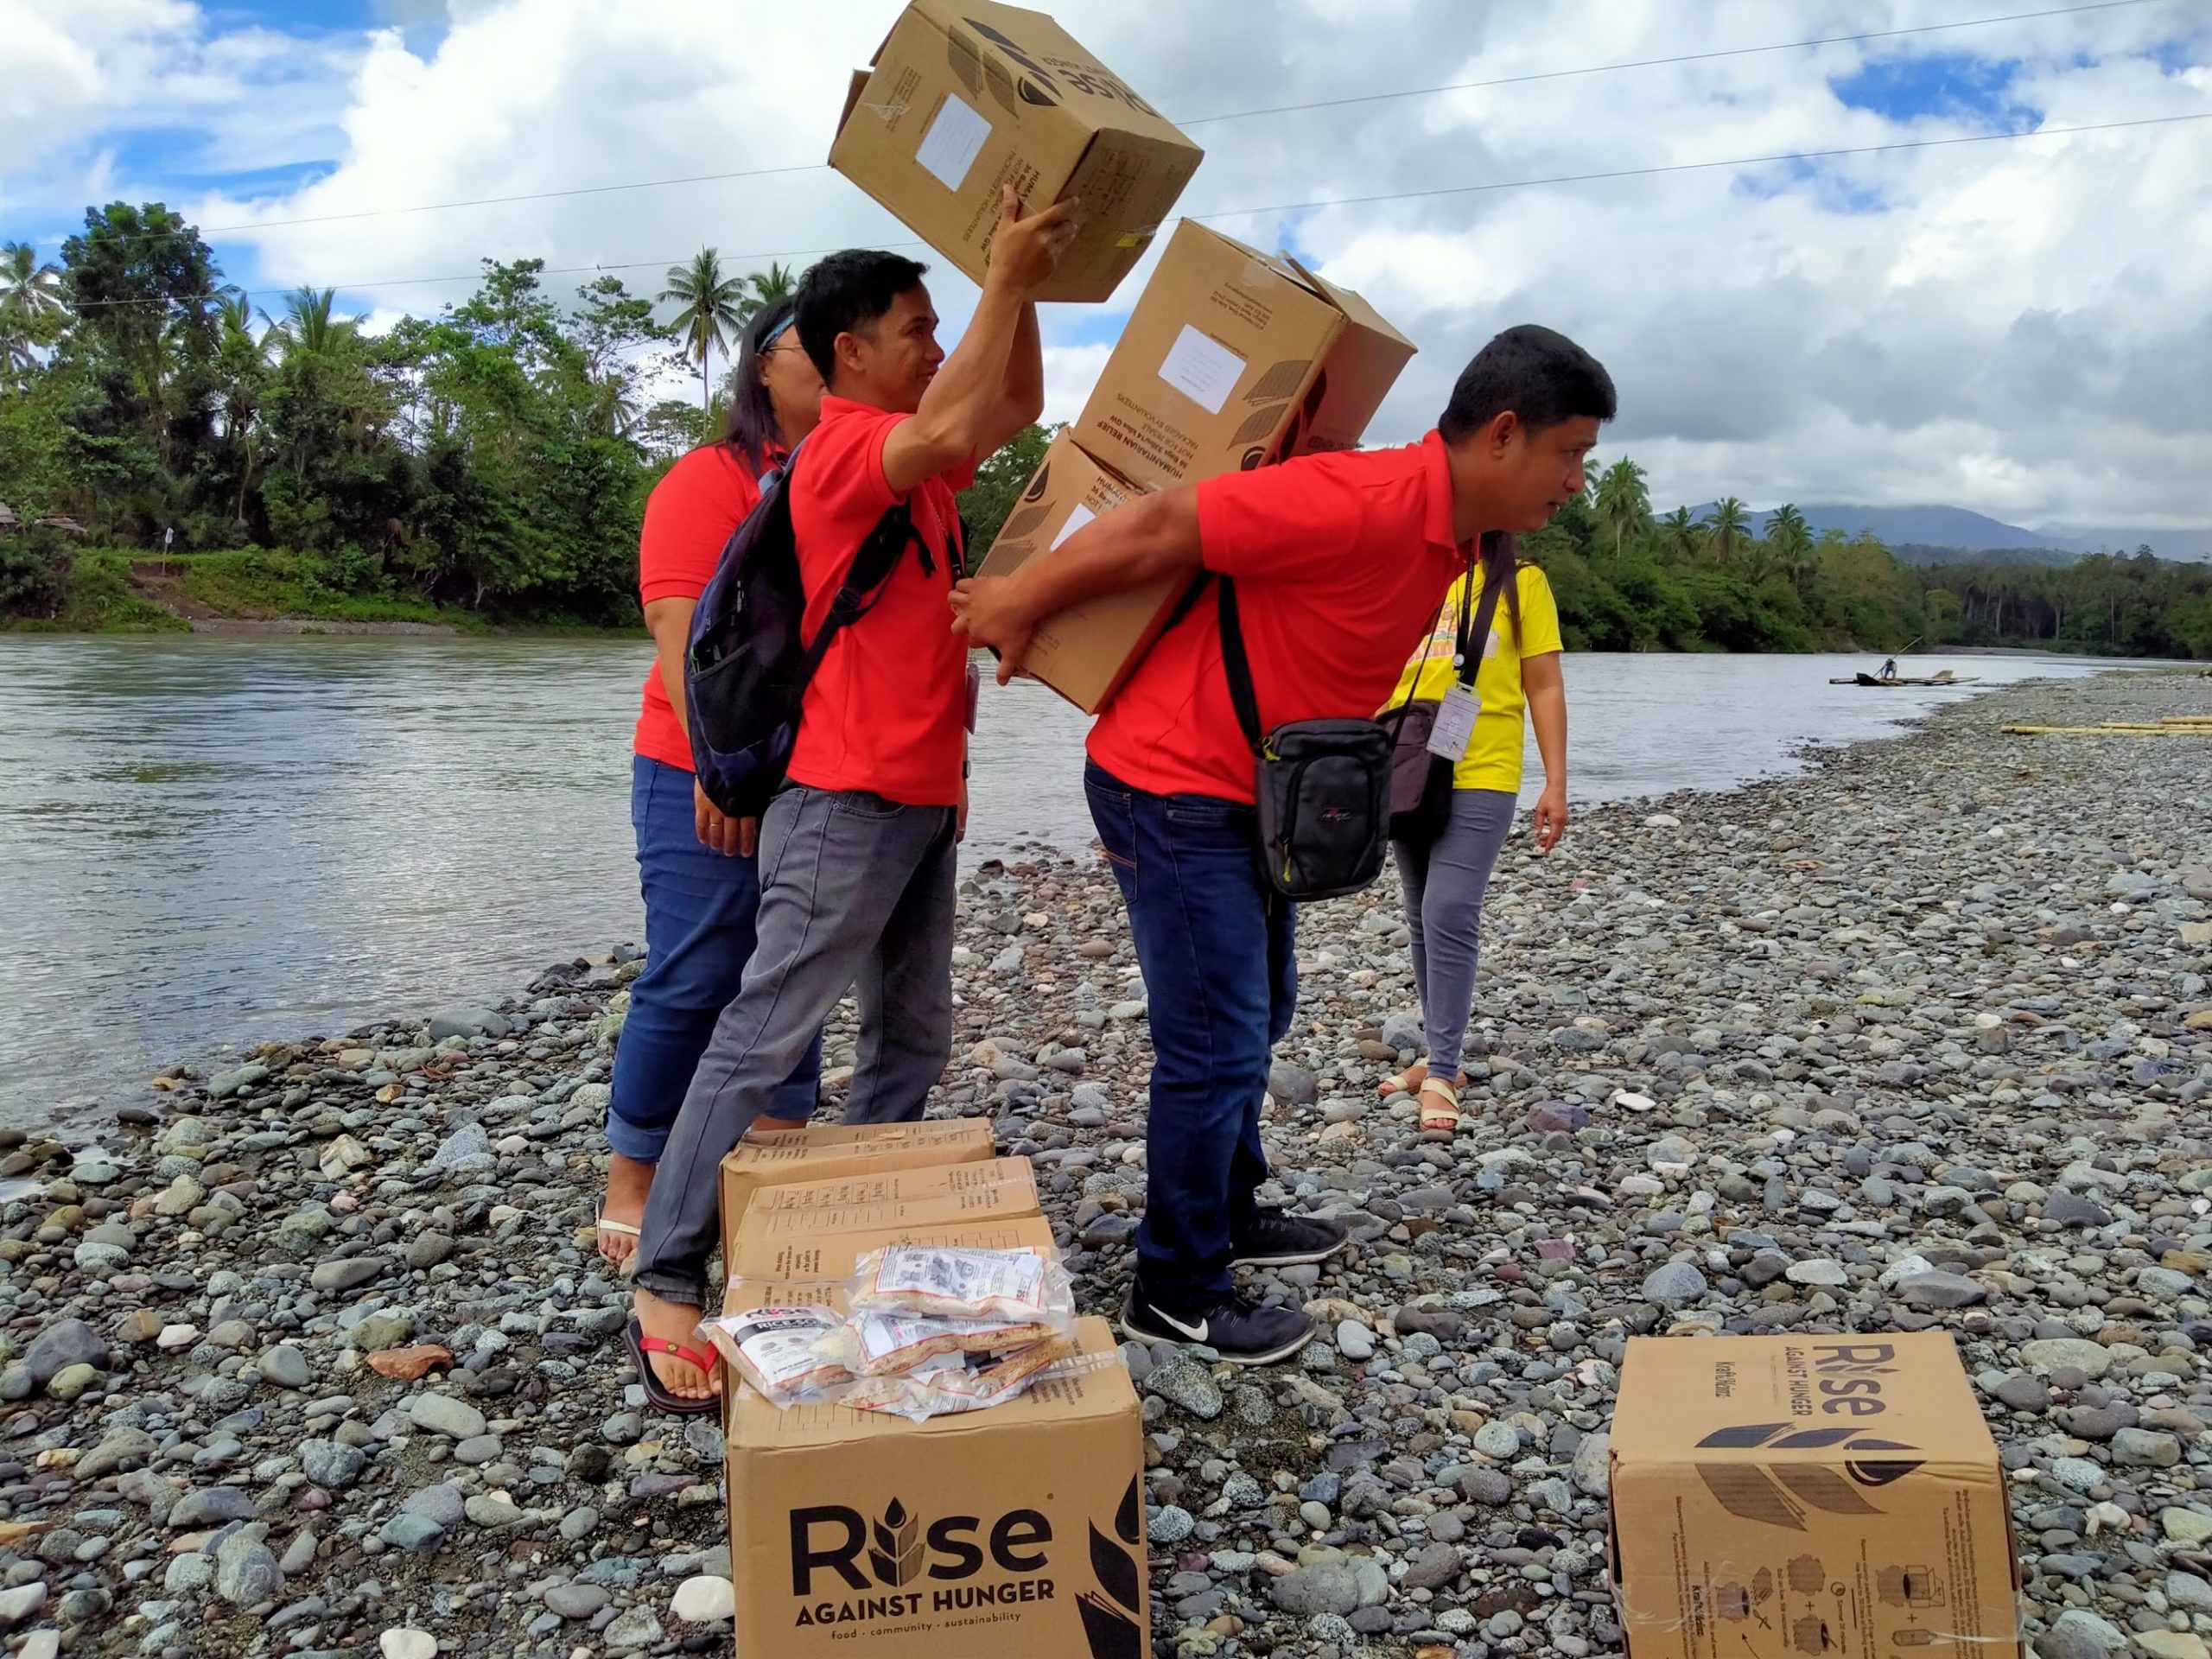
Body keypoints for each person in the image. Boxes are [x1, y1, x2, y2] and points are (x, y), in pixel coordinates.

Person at [954, 324, 1615, 1365]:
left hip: (1248, 793)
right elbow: (1164, 521)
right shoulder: (1364, 500)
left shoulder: (1460, 540)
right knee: (1214, 1040)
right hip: (1169, 784)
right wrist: (1014, 600)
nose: (1578, 480)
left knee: (1263, 1009)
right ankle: (1172, 1284)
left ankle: (1229, 1211)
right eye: (1569, 452)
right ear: (1500, 436)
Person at [626, 186, 1078, 1410]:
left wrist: (1019, 297)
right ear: (850, 355)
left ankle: (855, 1244)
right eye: (916, 330)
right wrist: (1003, 275)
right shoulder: (838, 456)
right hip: (840, 800)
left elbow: (1017, 403)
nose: (938, 350)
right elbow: (944, 426)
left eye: (941, 329)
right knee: (763, 1030)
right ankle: (665, 1274)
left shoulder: (921, 479)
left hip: (919, 802)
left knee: (913, 1036)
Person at [595, 299, 830, 1270]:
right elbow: (682, 634)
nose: (832, 367)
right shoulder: (708, 480)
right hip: (700, 764)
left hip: (818, 769)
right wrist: (718, 772)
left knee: (793, 972)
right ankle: (635, 1175)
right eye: (810, 351)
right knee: (693, 973)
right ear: (762, 372)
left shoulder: (850, 481)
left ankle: (774, 1143)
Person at [1376, 536, 1568, 1135]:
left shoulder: (1522, 582)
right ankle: (1441, 1057)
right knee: (1419, 914)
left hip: (1481, 769)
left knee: (1449, 908)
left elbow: (1543, 682)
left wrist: (1555, 781)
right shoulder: (1410, 575)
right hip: (1406, 763)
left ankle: (1444, 1068)